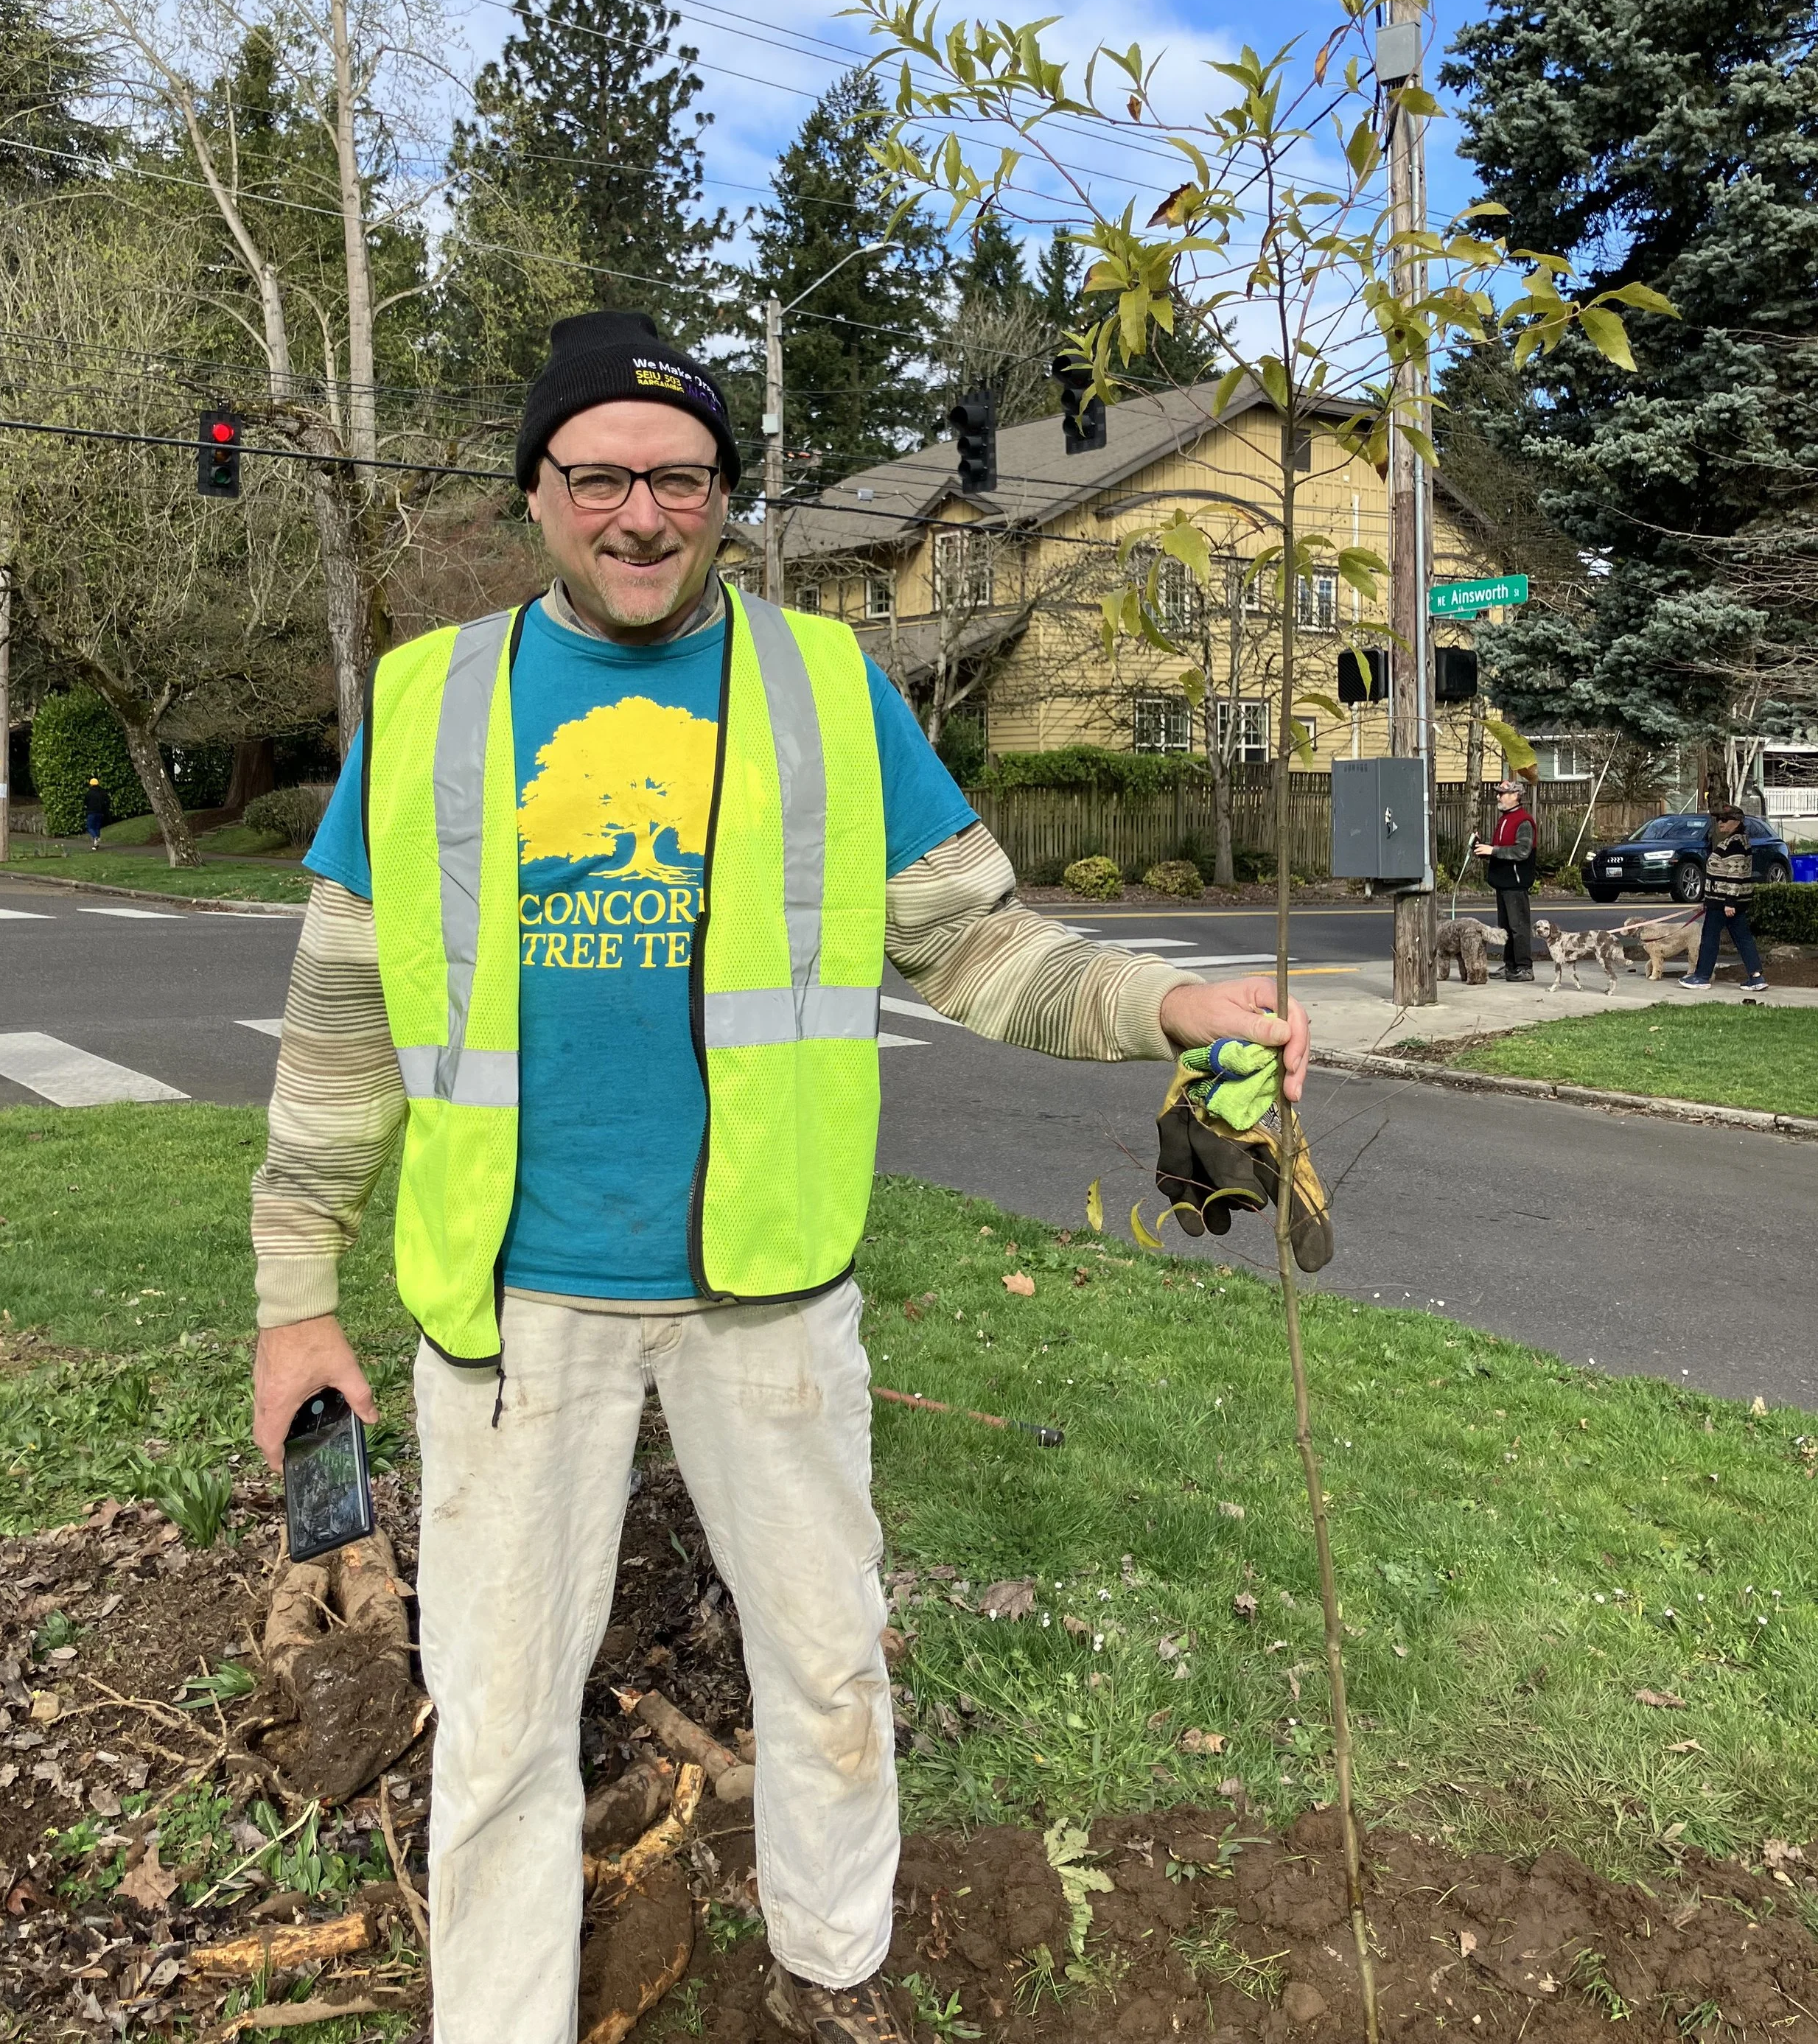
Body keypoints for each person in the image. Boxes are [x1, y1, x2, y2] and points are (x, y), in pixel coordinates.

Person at [247, 309, 1311, 2044]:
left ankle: (832, 1971)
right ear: (538, 494)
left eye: (681, 477)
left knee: (823, 1671)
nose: (642, 513)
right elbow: (336, 1033)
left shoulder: (831, 694)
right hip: (514, 1308)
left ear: (727, 498)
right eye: (601, 475)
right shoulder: (429, 703)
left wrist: (1168, 1002)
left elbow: (982, 950)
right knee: (500, 1714)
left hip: (771, 1307)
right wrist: (297, 1298)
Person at [1680, 806, 1767, 992]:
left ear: (1737, 822)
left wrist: (1729, 902)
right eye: (1719, 819)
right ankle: (1756, 977)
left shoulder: (1735, 844)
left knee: (1710, 938)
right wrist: (1708, 902)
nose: (1720, 823)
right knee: (1743, 938)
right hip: (1725, 901)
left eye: (1725, 820)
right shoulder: (1737, 841)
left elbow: (1735, 875)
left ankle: (1702, 976)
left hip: (1724, 903)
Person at [1471, 776, 1536, 981]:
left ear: (1516, 796)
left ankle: (1525, 968)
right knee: (1506, 928)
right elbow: (1501, 850)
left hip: (1516, 883)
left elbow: (1522, 851)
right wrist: (1485, 850)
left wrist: (1493, 850)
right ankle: (1510, 966)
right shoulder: (1505, 819)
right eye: (1499, 793)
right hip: (1503, 882)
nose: (1498, 796)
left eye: (1503, 793)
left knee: (1519, 928)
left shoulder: (1524, 821)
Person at [83, 775, 109, 850]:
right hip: (100, 812)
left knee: (90, 827)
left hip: (91, 812)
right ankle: (96, 844)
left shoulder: (89, 793)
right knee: (97, 828)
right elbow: (106, 801)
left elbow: (85, 803)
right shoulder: (102, 792)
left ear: (91, 784)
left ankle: (95, 837)